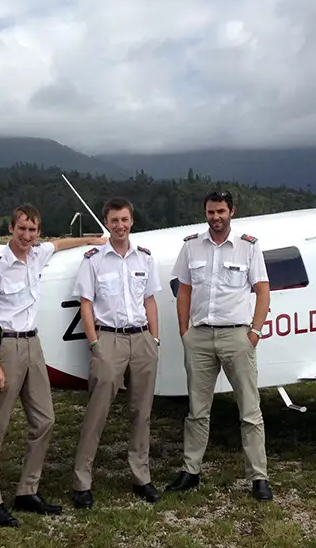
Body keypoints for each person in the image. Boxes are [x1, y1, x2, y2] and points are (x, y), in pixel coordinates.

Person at [0, 203, 106, 527]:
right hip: (8, 346)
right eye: (21, 229)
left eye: (32, 230)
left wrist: (91, 240)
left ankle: (27, 491)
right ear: (11, 230)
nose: (26, 236)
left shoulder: (38, 253)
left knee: (45, 419)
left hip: (33, 343)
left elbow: (58, 245)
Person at [166, 190, 273, 502]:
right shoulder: (191, 247)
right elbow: (183, 290)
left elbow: (263, 291)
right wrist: (185, 331)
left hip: (236, 337)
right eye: (211, 212)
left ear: (232, 212)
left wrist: (253, 332)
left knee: (249, 410)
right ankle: (191, 470)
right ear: (206, 213)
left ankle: (258, 477)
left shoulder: (249, 247)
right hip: (199, 337)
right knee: (197, 410)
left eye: (221, 212)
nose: (216, 217)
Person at [70, 197, 162, 509]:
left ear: (131, 221)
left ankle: (141, 477)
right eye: (114, 221)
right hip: (108, 339)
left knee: (142, 413)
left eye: (124, 220)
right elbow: (86, 303)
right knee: (97, 413)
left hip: (141, 339)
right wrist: (94, 344)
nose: (120, 226)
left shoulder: (145, 258)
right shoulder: (93, 259)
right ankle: (82, 481)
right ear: (106, 224)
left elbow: (150, 300)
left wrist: (155, 338)